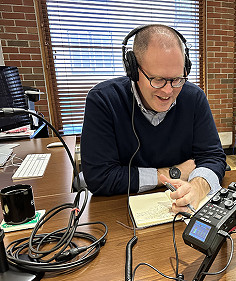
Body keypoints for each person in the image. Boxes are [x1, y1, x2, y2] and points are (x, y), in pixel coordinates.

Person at [80, 24, 227, 213]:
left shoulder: (194, 97)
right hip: (120, 214)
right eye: (157, 79)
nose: (168, 90)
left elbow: (213, 157)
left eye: (177, 79)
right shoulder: (103, 100)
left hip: (180, 214)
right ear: (133, 70)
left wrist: (197, 188)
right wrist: (173, 173)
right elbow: (99, 177)